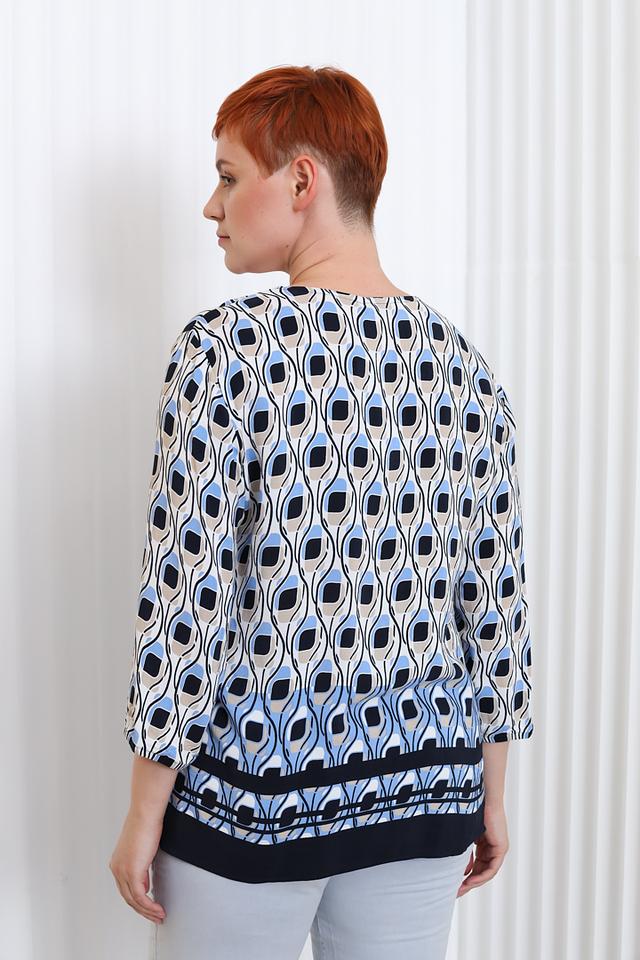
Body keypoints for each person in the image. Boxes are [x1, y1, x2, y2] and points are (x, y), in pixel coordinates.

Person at [109, 64, 534, 960]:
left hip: (251, 802)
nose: (212, 207)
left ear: (302, 180)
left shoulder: (225, 353)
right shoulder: (466, 369)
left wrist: (145, 811)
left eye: (229, 176)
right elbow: (495, 606)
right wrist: (492, 794)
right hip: (427, 795)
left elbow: (186, 606)